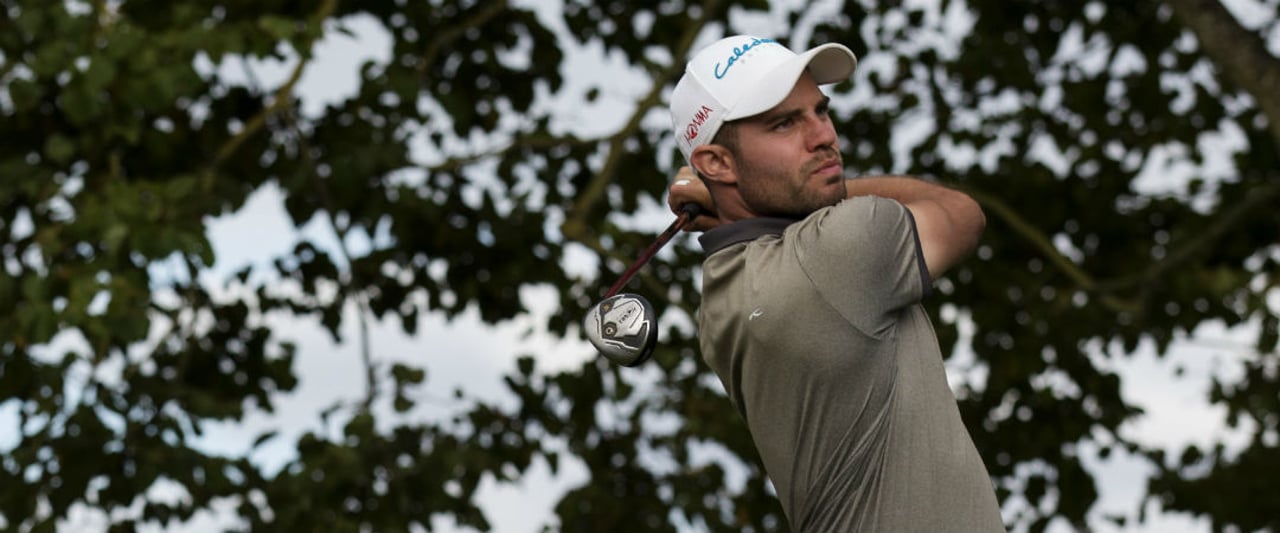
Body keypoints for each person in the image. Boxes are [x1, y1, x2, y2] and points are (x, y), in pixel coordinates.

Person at [665, 35, 1005, 532]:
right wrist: (830, 186)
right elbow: (961, 212)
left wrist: (722, 196)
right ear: (716, 163)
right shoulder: (845, 247)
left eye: (820, 111)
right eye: (783, 123)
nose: (822, 135)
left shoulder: (724, 297)